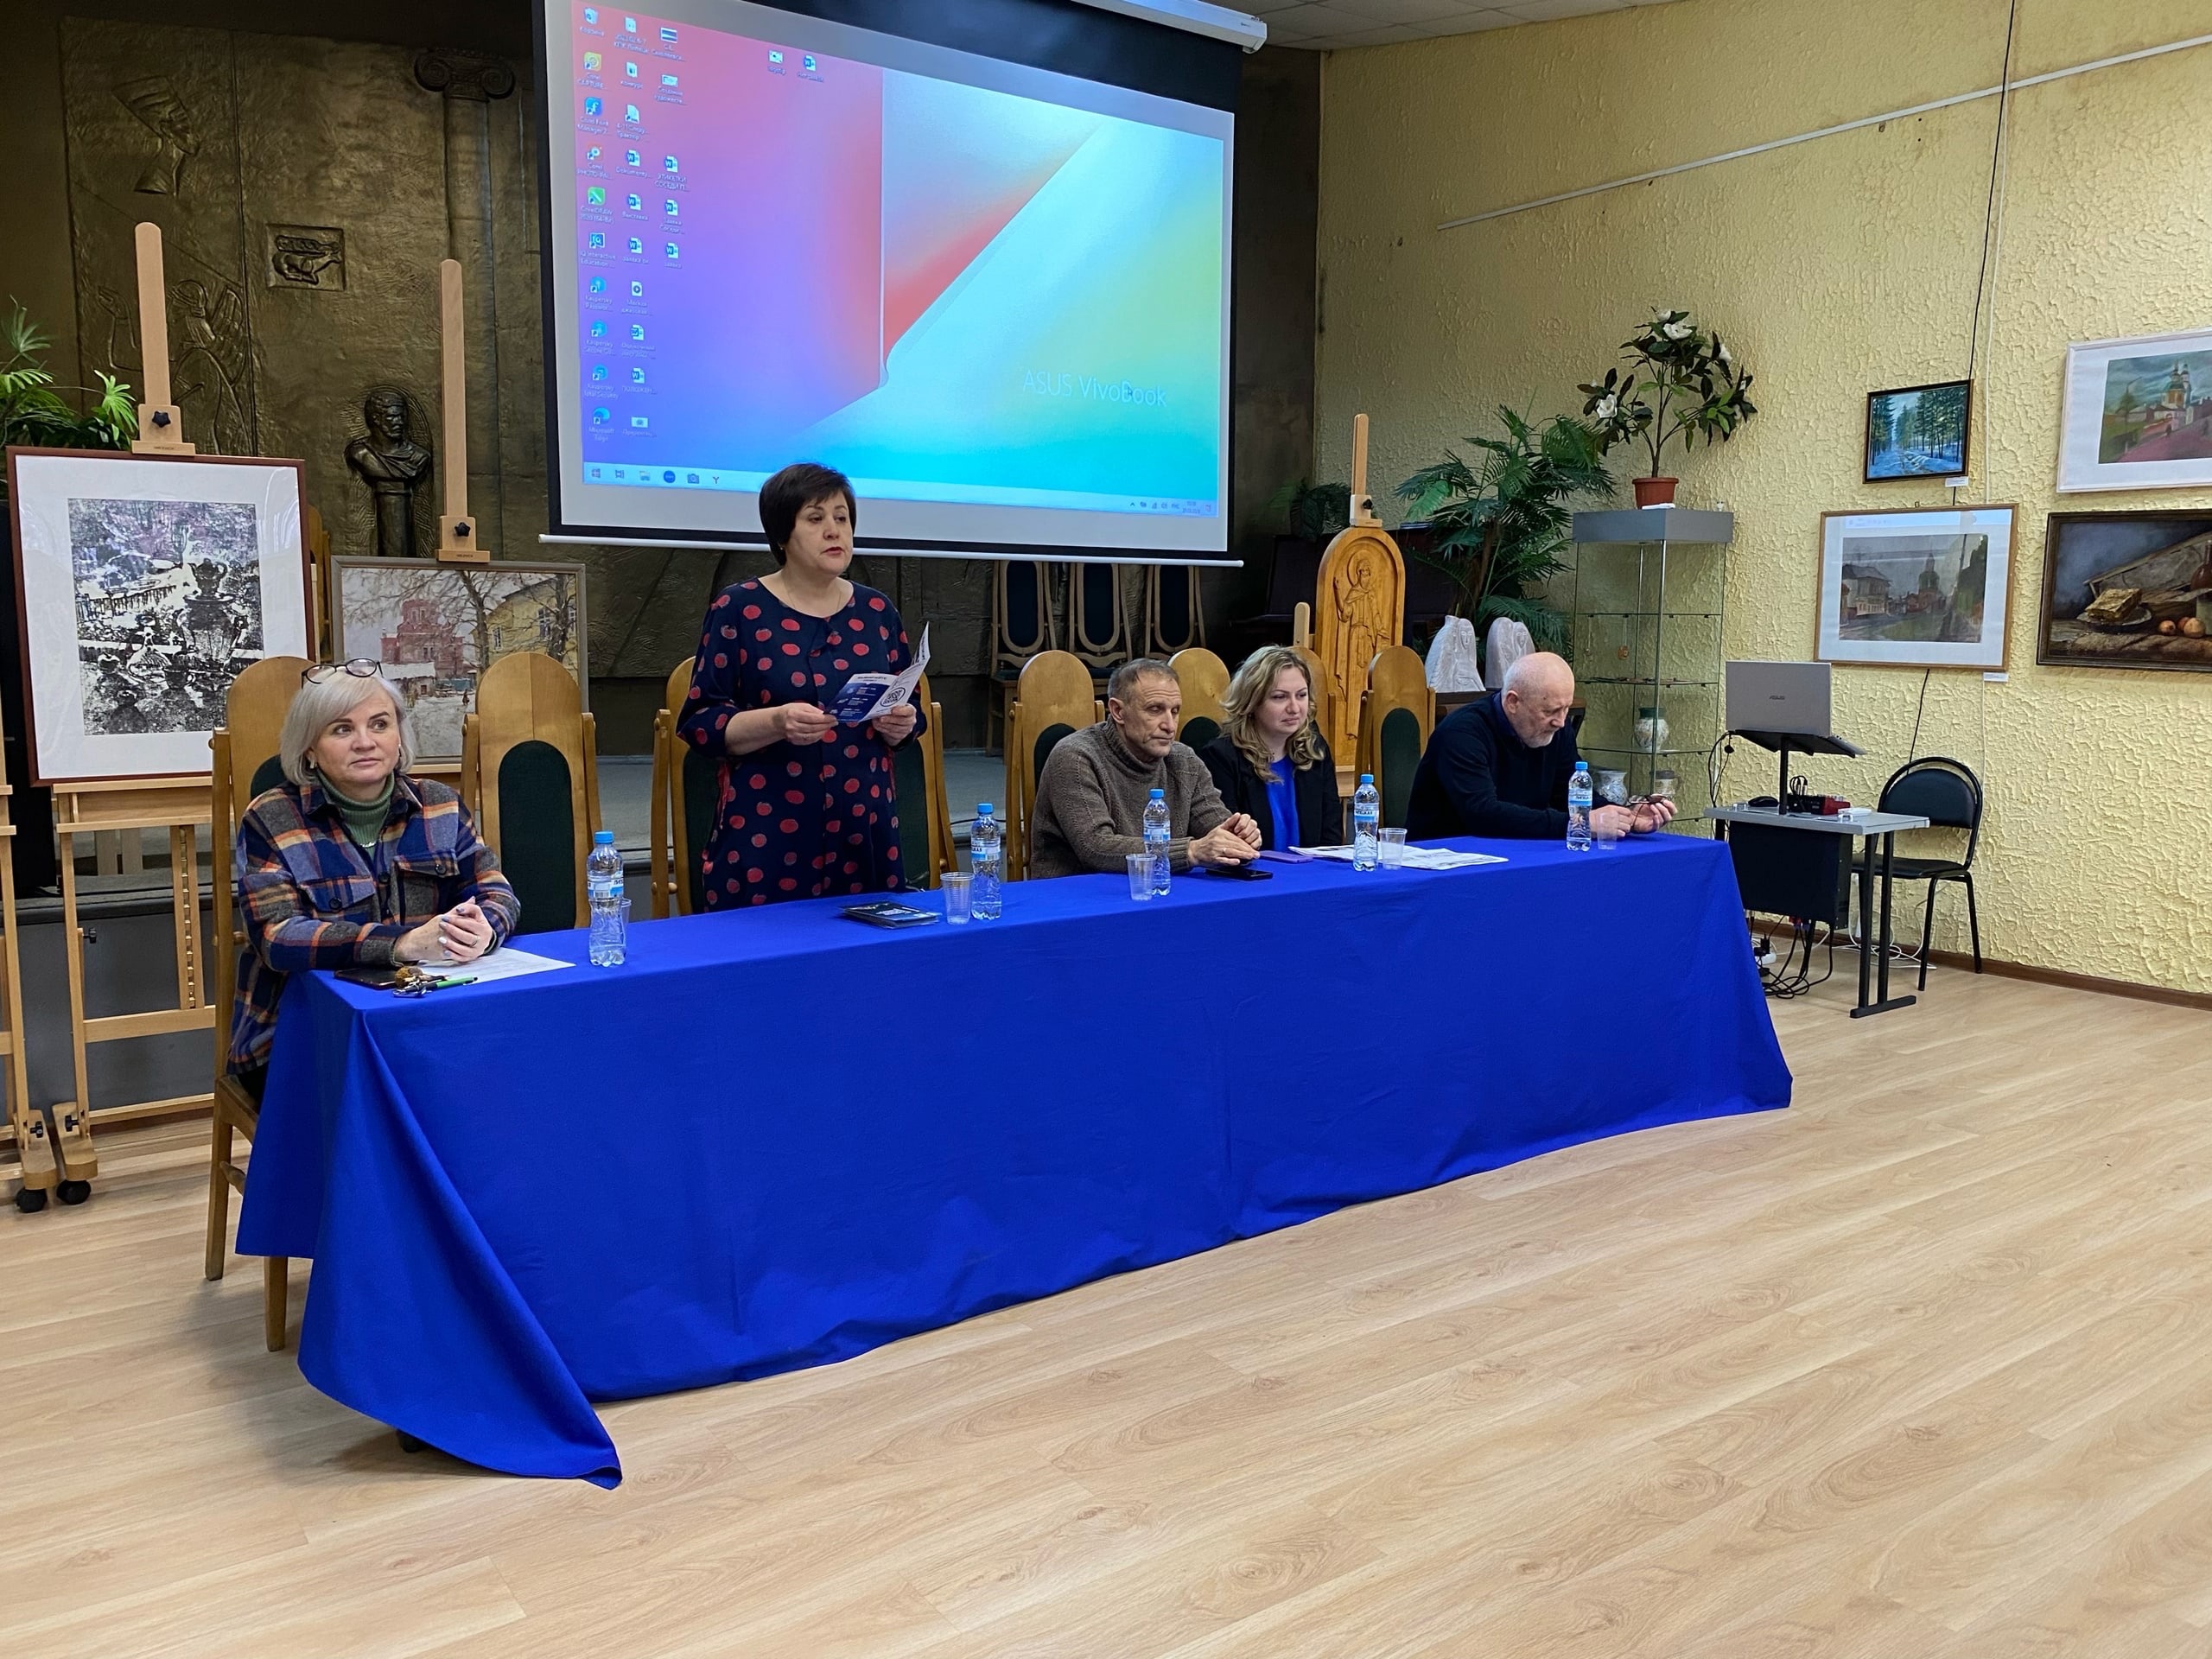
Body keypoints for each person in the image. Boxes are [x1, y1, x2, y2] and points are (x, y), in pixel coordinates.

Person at [229, 661, 519, 1101]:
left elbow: (495, 891)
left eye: (380, 724)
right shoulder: (271, 817)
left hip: (423, 1019)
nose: (365, 742)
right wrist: (400, 945)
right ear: (310, 749)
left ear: (398, 736)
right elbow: (277, 935)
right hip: (301, 1034)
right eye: (342, 729)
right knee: (407, 1099)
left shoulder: (440, 804)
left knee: (508, 1077)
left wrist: (485, 929)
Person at [679, 461, 924, 907]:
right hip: (768, 834)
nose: (834, 531)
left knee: (869, 947)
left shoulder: (877, 611)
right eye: (815, 519)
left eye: (842, 518)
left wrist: (901, 724)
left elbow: (911, 707)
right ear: (781, 535)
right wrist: (776, 721)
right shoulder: (740, 608)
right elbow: (700, 722)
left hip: (864, 833)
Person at [1404, 651, 1677, 841]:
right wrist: (1579, 823)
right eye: (1550, 711)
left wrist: (1626, 816)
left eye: (1566, 709)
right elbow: (1483, 814)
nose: (1561, 722)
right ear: (1513, 702)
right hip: (1448, 859)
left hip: (1519, 853)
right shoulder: (1462, 733)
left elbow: (1569, 794)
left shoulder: (1557, 730)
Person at [1028, 658, 1262, 878]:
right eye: (1155, 710)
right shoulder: (1076, 757)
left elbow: (1212, 822)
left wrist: (1236, 836)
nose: (1170, 726)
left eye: (1175, 711)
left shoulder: (1184, 760)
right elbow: (1096, 847)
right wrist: (1190, 851)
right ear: (1118, 711)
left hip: (1161, 887)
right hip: (1079, 893)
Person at [1197, 645, 1341, 850]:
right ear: (1252, 701)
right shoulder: (1221, 758)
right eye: (1279, 697)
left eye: (1301, 695)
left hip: (1313, 869)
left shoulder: (1315, 750)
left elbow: (1331, 838)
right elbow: (1229, 842)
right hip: (1254, 869)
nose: (1294, 708)